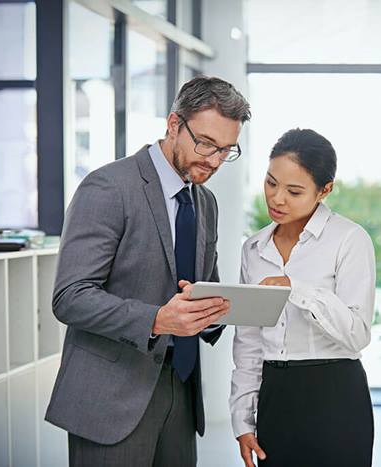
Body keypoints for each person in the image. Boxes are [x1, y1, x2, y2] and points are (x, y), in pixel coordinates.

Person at [45, 76, 251, 466]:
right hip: (112, 398)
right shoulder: (108, 187)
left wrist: (214, 313)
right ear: (174, 124)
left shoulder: (205, 202)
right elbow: (70, 297)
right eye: (205, 143)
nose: (212, 160)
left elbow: (199, 287)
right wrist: (157, 319)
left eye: (226, 150)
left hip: (182, 391)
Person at [229, 129, 376, 467]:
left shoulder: (349, 240)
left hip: (335, 394)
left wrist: (296, 289)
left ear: (325, 191)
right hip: (275, 395)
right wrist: (242, 419)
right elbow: (249, 343)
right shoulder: (254, 248)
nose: (277, 198)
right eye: (270, 183)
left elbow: (357, 333)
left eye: (294, 191)